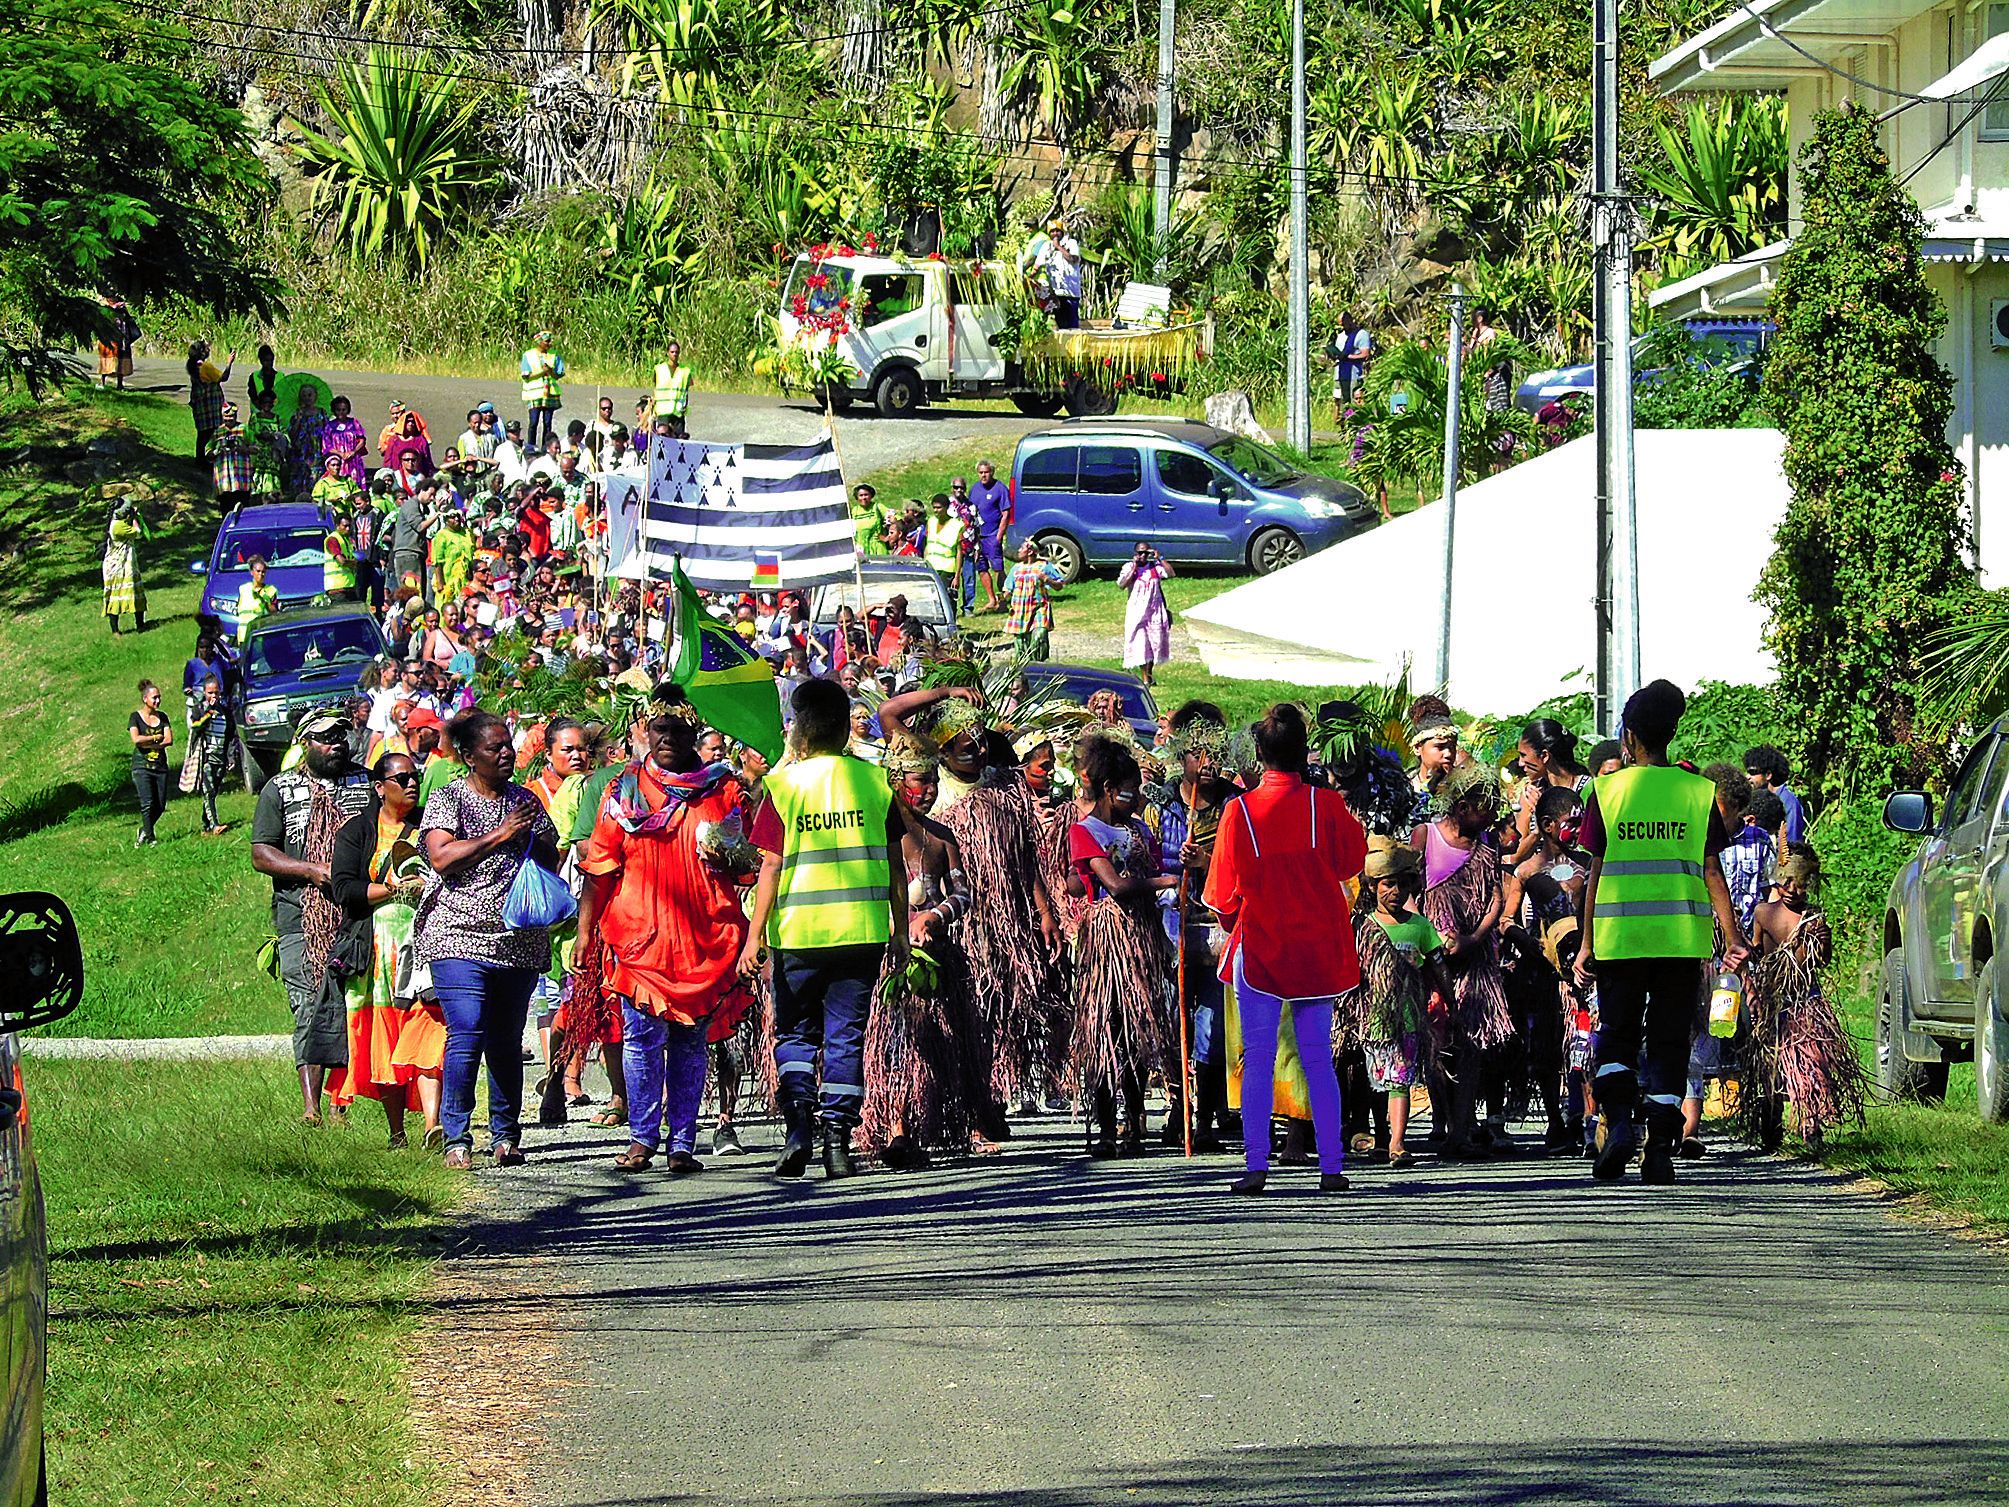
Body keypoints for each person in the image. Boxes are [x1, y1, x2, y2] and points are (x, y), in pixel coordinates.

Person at [1573, 679, 1749, 1185]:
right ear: (1671, 734)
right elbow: (1712, 870)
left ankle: (1621, 1125)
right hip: (1680, 940)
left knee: (1617, 1037)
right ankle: (1658, 1151)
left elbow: (1596, 873)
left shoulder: (1606, 791)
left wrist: (1585, 943)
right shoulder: (1697, 792)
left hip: (1619, 940)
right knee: (1670, 1043)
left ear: (1629, 737)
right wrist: (1733, 938)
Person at [739, 678, 909, 1181]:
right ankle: (838, 1144)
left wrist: (755, 935)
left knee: (795, 1034)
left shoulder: (783, 787)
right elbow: (897, 868)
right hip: (862, 932)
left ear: (800, 732)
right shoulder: (876, 783)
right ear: (843, 728)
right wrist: (899, 931)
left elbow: (770, 866)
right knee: (847, 1038)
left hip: (799, 934)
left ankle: (798, 1133)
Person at [577, 709, 752, 1175]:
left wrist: (728, 852)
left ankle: (683, 1143)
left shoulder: (723, 789)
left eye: (678, 730)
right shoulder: (624, 790)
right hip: (639, 937)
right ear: (644, 733)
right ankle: (641, 1139)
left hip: (704, 937)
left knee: (692, 1041)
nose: (668, 738)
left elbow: (749, 863)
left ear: (695, 734)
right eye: (660, 729)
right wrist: (583, 931)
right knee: (640, 1039)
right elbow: (599, 865)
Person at [1202, 705, 1366, 1193]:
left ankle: (1256, 1165)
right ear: (1304, 753)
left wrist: (1235, 922)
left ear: (1259, 754)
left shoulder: (1240, 810)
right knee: (1317, 1056)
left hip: (1261, 946)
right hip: (1316, 946)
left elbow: (1221, 895)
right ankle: (1332, 1167)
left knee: (1258, 1055)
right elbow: (1351, 862)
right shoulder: (1326, 804)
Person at [412, 711, 564, 1168]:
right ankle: (456, 1135)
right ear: (467, 755)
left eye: (508, 745)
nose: (504, 753)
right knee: (468, 1031)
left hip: (516, 938)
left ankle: (506, 1135)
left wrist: (534, 839)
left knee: (504, 1038)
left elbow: (551, 856)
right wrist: (501, 835)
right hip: (457, 934)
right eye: (493, 747)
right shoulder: (448, 799)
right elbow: (442, 858)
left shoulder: (525, 801)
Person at [862, 737, 985, 1166]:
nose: (929, 790)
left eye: (934, 781)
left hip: (936, 958)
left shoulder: (942, 837)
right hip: (889, 958)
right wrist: (899, 925)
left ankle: (928, 1122)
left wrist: (934, 918)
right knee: (895, 1042)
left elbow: (964, 893)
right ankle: (894, 1126)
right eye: (920, 780)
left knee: (938, 1044)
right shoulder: (874, 829)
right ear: (896, 781)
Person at [250, 709, 376, 1124]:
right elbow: (262, 853)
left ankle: (343, 1100)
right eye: (325, 737)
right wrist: (309, 870)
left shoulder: (365, 783)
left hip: (356, 909)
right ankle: (311, 1106)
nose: (336, 743)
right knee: (308, 1004)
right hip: (300, 915)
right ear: (305, 743)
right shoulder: (279, 790)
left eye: (340, 735)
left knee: (352, 1003)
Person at [1069, 736, 1178, 1157]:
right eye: (1133, 789)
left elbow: (1146, 873)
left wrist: (1169, 887)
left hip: (1143, 938)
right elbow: (1113, 885)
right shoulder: (1084, 831)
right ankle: (1105, 1126)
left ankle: (1135, 1123)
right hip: (1108, 939)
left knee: (1136, 1029)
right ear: (1111, 788)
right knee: (1105, 1029)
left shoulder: (1139, 830)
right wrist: (1160, 882)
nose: (1140, 797)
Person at [327, 753, 435, 1147]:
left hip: (427, 941)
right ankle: (396, 1132)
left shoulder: (430, 824)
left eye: (415, 776)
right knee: (384, 1037)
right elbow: (344, 888)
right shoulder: (358, 831)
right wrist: (393, 888)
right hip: (376, 950)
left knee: (430, 1026)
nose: (411, 783)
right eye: (401, 777)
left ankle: (434, 1126)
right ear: (379, 787)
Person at [1414, 761, 1511, 1157]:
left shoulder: (1488, 845)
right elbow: (1410, 893)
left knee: (1472, 1040)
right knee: (1435, 1036)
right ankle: (1443, 1121)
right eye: (1481, 804)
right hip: (1431, 954)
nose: (1488, 813)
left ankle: (1462, 1128)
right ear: (1459, 802)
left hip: (1474, 957)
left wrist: (1472, 938)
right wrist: (1427, 939)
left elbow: (1495, 899)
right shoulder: (1426, 836)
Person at [1741, 846, 1867, 1149]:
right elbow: (1754, 954)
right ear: (1777, 880)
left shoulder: (1813, 918)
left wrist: (1823, 942)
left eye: (1801, 884)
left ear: (1810, 884)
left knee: (1810, 1060)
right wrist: (1751, 989)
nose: (1792, 890)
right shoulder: (1763, 913)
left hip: (1806, 1000)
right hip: (1774, 1000)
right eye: (1786, 882)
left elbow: (1821, 961)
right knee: (1773, 1065)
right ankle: (1771, 1120)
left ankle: (1811, 1125)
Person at [1345, 838, 1447, 1170]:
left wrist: (1449, 1001)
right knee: (1377, 1079)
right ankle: (1379, 1133)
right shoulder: (1363, 928)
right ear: (1372, 886)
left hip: (1408, 1018)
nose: (1396, 891)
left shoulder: (1419, 926)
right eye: (1389, 884)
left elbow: (1437, 964)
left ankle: (1397, 1142)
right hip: (1373, 1018)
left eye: (1404, 884)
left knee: (1398, 1079)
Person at [1117, 542, 1173, 685]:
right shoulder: (1129, 567)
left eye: (1145, 553)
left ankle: (1149, 673)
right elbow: (1122, 584)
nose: (1142, 556)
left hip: (1154, 611)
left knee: (1154, 643)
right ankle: (1145, 678)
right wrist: (1135, 566)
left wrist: (1160, 558)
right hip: (1137, 612)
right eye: (1140, 553)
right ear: (1135, 553)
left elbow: (1171, 574)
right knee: (1140, 643)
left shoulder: (1155, 568)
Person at [188, 675, 235, 835]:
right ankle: (215, 825)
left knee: (212, 792)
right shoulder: (199, 710)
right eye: (210, 693)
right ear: (204, 693)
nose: (213, 696)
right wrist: (208, 713)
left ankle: (205, 825)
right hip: (206, 758)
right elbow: (195, 729)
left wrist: (230, 756)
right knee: (208, 791)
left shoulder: (226, 713)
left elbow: (230, 736)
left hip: (220, 757)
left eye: (216, 692)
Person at [128, 679, 173, 847]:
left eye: (159, 697)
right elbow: (136, 739)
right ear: (145, 699)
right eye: (154, 698)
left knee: (160, 805)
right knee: (147, 803)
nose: (158, 701)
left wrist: (149, 743)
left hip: (160, 767)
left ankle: (144, 830)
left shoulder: (163, 717)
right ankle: (151, 837)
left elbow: (169, 740)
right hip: (142, 767)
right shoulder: (135, 717)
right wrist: (155, 737)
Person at [1005, 541, 1065, 662]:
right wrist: (1000, 599)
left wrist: (1047, 580)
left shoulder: (1044, 566)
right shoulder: (1016, 569)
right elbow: (1007, 589)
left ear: (1030, 551)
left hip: (1039, 607)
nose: (1019, 551)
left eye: (1022, 548)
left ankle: (1039, 664)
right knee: (1021, 642)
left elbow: (1059, 585)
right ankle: (1024, 667)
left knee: (1040, 634)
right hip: (1020, 609)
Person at [1743, 744, 1808, 845]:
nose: (1747, 777)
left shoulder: (1788, 802)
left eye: (1753, 772)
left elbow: (1792, 842)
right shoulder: (1752, 798)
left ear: (1768, 775)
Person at [969, 460, 1010, 612]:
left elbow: (1006, 514)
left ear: (992, 472)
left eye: (986, 472)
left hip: (993, 535)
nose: (983, 475)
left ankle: (1004, 599)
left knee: (997, 568)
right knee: (982, 568)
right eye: (981, 472)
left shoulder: (1000, 489)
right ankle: (992, 600)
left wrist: (999, 535)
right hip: (978, 536)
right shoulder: (974, 489)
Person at [185, 340, 235, 462]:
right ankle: (206, 460)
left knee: (202, 434)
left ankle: (200, 459)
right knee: (210, 433)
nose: (209, 349)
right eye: (206, 348)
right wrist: (229, 363)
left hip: (200, 405)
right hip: (209, 406)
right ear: (201, 352)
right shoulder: (206, 367)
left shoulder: (194, 366)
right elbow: (223, 377)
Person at [103, 501, 147, 635]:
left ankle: (139, 625)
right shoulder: (118, 526)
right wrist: (135, 520)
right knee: (116, 597)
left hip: (124, 565)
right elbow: (138, 533)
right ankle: (117, 630)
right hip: (118, 567)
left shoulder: (116, 522)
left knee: (135, 594)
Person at [520, 332, 566, 452]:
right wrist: (542, 371)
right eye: (547, 341)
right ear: (539, 342)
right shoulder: (528, 355)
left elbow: (558, 374)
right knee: (534, 422)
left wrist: (550, 371)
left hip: (550, 393)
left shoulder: (554, 355)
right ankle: (531, 447)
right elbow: (526, 375)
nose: (549, 343)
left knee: (547, 422)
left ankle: (546, 448)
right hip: (534, 393)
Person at [924, 492, 967, 603]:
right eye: (934, 507)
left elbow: (959, 552)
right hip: (931, 566)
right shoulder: (931, 521)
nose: (936, 510)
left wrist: (957, 575)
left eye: (939, 508)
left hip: (947, 568)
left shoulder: (957, 525)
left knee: (945, 599)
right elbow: (928, 545)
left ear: (946, 507)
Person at [1329, 310, 1372, 420]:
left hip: (1353, 375)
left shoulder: (1361, 334)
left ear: (1350, 320)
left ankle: (1355, 425)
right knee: (1341, 402)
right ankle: (1343, 425)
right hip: (1340, 375)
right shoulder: (1340, 336)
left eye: (1344, 324)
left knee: (1354, 403)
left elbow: (1365, 354)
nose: (1343, 326)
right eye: (1340, 325)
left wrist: (1348, 357)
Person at [653, 340, 694, 439]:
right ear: (667, 353)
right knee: (663, 439)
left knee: (679, 440)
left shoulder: (686, 371)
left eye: (676, 352)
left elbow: (686, 390)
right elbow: (655, 387)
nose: (674, 354)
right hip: (663, 411)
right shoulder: (659, 369)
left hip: (678, 412)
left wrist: (685, 407)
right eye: (672, 352)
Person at [235, 555, 279, 644]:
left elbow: (274, 612)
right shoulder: (243, 588)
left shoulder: (270, 590)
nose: (261, 574)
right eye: (258, 571)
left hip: (258, 635)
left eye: (263, 572)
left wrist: (267, 600)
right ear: (252, 572)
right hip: (243, 635)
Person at [96, 299, 138, 388]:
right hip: (111, 338)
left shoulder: (121, 308)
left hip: (121, 338)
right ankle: (103, 382)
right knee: (107, 359)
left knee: (121, 360)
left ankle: (119, 384)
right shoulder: (105, 306)